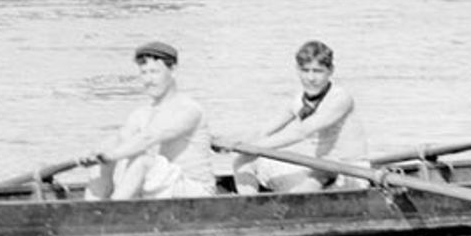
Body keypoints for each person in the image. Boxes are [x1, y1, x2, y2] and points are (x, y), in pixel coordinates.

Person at [82, 40, 216, 200]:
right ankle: (89, 209)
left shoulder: (189, 109)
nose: (148, 80)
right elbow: (121, 140)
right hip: (160, 187)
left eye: (154, 72)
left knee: (143, 161)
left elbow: (150, 138)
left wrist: (112, 155)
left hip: (195, 191)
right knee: (103, 158)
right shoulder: (141, 114)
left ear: (172, 70)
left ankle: (112, 213)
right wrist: (97, 153)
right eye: (144, 73)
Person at [231, 40, 369, 193]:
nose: (310, 78)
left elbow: (302, 132)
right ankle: (249, 207)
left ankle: (296, 201)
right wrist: (234, 144)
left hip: (349, 175)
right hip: (319, 170)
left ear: (331, 71)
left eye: (318, 71)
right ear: (297, 70)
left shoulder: (340, 98)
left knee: (319, 172)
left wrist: (254, 148)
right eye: (305, 70)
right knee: (243, 161)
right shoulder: (298, 100)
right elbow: (263, 131)